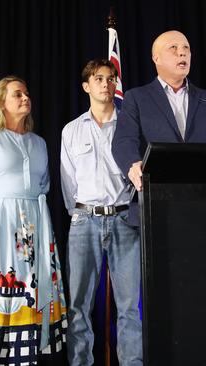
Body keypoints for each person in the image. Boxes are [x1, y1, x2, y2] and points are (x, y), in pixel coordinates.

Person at [0, 76, 67, 365]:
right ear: (0, 102)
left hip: (33, 224)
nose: (25, 98)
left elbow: (44, 184)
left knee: (29, 289)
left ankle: (25, 352)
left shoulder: (39, 143)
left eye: (27, 93)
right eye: (17, 94)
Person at [112, 30, 206, 224]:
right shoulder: (136, 98)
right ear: (156, 58)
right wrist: (133, 163)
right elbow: (123, 140)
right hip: (156, 205)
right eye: (173, 48)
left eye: (186, 49)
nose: (182, 53)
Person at [60, 59, 142, 366]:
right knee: (79, 304)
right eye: (98, 79)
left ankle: (133, 362)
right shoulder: (71, 130)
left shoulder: (129, 126)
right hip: (84, 220)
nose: (106, 84)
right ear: (86, 86)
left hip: (123, 218)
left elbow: (137, 171)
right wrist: (78, 214)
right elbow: (67, 178)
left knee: (129, 305)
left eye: (110, 78)